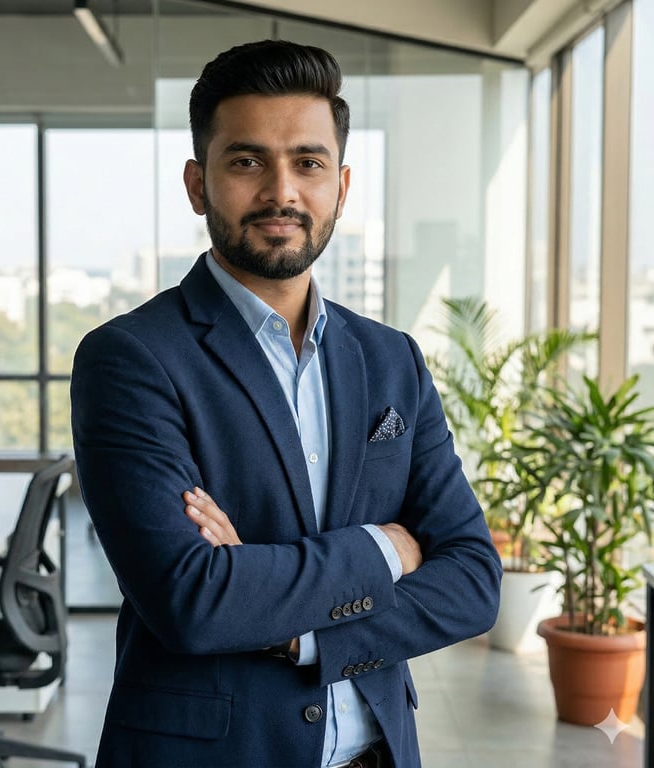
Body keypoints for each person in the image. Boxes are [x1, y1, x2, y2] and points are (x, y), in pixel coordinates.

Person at [71, 39, 501, 768]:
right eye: (246, 161)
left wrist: (298, 628)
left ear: (341, 184)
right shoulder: (131, 359)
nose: (282, 192)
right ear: (197, 184)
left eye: (308, 162)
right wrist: (384, 549)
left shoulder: (389, 358)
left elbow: (472, 581)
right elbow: (195, 601)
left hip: (378, 751)